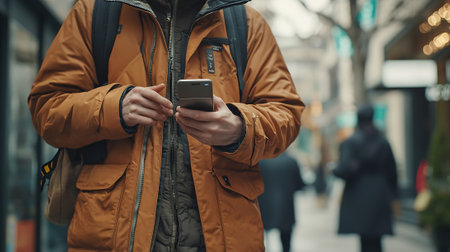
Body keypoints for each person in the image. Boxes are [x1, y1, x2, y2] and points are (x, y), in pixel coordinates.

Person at [27, 0, 305, 251]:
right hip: (113, 237)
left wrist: (238, 126)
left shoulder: (246, 23)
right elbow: (47, 109)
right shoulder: (94, 12)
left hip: (222, 237)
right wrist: (114, 107)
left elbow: (286, 114)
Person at [333, 105, 398, 252]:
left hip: (358, 195)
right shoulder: (383, 142)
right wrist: (393, 195)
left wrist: (335, 170)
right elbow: (392, 171)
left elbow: (343, 170)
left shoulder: (350, 142)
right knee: (376, 240)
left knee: (365, 240)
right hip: (380, 194)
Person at [258, 152, 305, 252]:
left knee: (262, 236)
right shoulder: (291, 161)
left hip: (263, 206)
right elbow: (299, 185)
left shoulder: (258, 161)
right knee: (286, 239)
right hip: (286, 205)